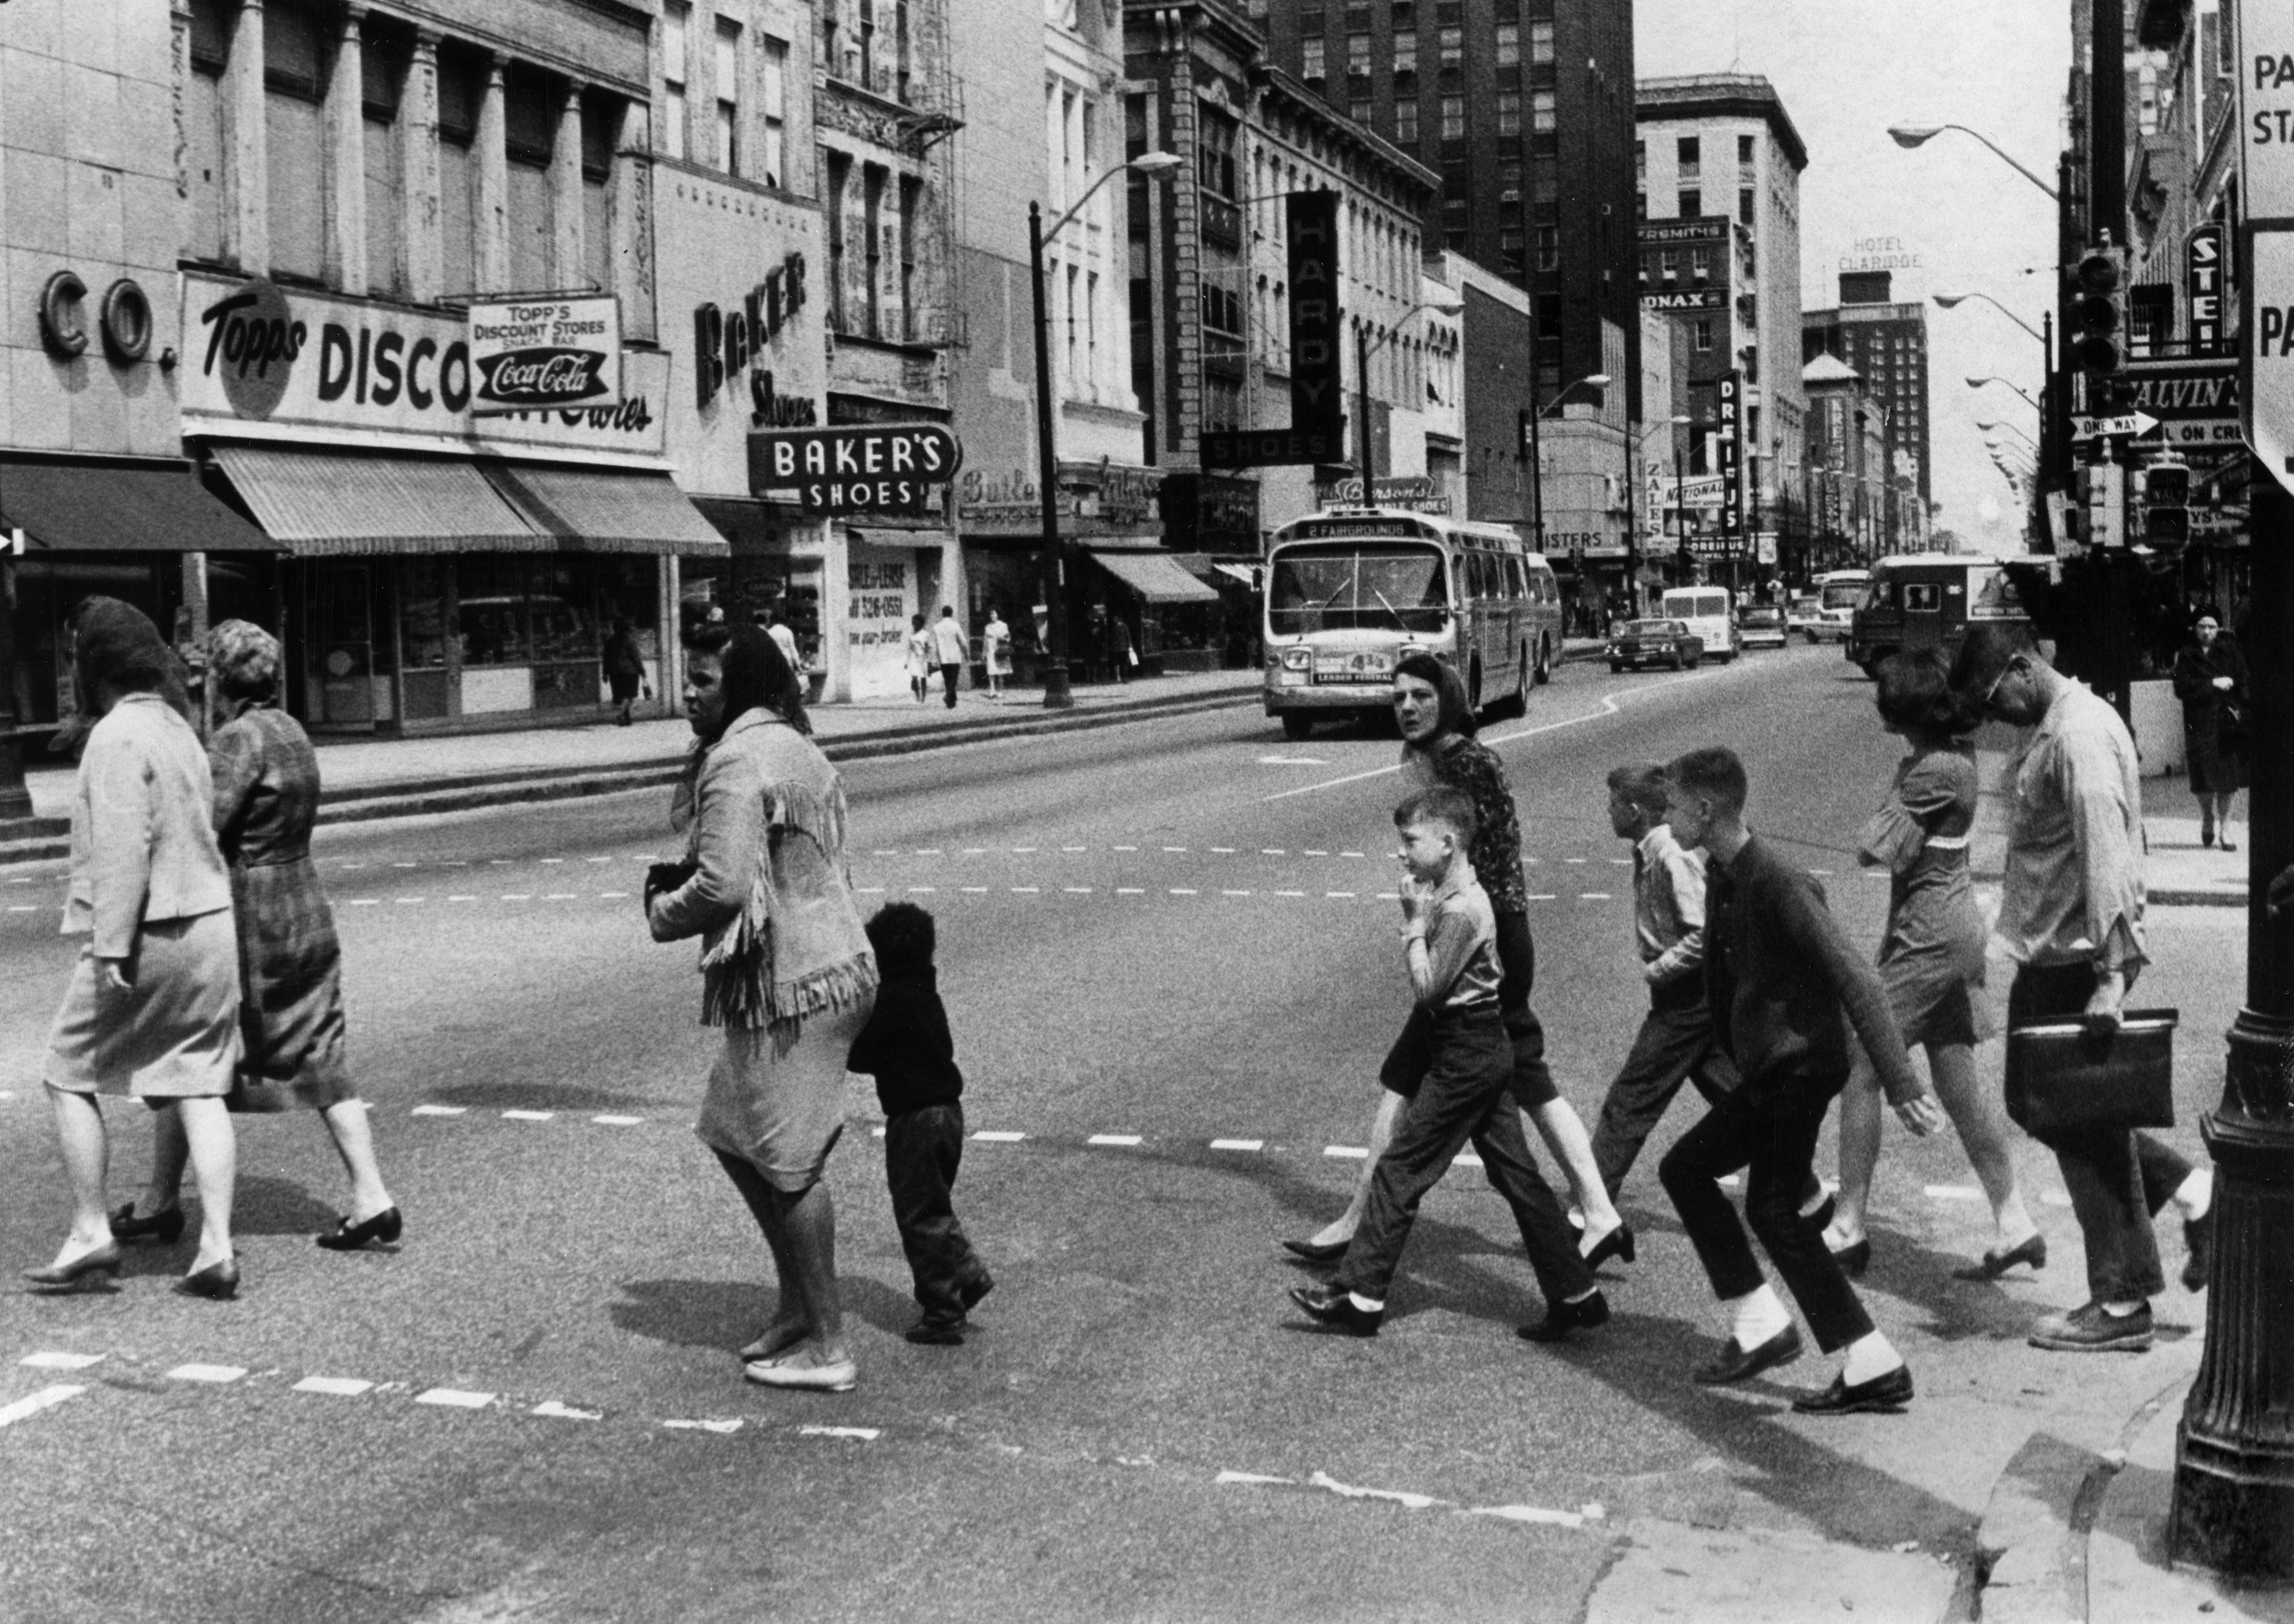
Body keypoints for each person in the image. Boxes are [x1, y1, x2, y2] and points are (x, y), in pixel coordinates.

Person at [1283, 654, 1628, 1268]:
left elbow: (1483, 862)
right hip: (1494, 939)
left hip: (1482, 944)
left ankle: (1358, 1222)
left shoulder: (1465, 761)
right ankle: (1598, 1214)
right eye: (1399, 698)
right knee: (1528, 1078)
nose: (1409, 707)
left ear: (1449, 696)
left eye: (1422, 695)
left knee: (1404, 1075)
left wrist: (1441, 930)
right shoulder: (1443, 759)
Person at [1656, 747, 1947, 1414]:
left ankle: (1794, 1335)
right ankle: (1858, 1355)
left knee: (1715, 1183)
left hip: (1800, 1071)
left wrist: (1902, 1085)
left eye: (1672, 805)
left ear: (1704, 809)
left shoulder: (1779, 882)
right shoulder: (1728, 875)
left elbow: (1857, 977)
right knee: (1760, 1203)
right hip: (1775, 1070)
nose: (1665, 816)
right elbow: (1732, 984)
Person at [1952, 623, 2213, 1352]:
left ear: (2019, 668)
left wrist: (2111, 978)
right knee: (2043, 1107)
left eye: (1989, 698)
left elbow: (2108, 857)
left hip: (2075, 965)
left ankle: (2123, 1302)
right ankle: (2198, 1198)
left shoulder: (2077, 738)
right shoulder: (2060, 726)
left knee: (2081, 1124)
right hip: (2052, 959)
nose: (1991, 715)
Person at [110, 622, 402, 1258]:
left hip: (251, 915)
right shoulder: (292, 730)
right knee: (319, 1052)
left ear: (220, 678)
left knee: (190, 1046)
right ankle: (371, 1194)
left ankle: (163, 1202)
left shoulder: (238, 738)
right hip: (304, 901)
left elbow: (201, 828)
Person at [649, 623, 880, 1392]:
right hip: (828, 962)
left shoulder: (736, 758)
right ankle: (794, 1305)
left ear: (739, 686)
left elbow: (717, 884)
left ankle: (827, 1343)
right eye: (688, 677)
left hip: (793, 980)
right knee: (730, 1130)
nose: (689, 691)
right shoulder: (792, 741)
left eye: (704, 680)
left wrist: (661, 909)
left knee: (787, 1164)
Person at [1289, 788, 1606, 1341]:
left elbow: (1429, 991)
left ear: (1449, 842)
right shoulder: (1450, 893)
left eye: (1411, 841)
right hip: (1479, 1049)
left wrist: (1412, 926)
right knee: (1519, 1180)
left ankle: (1361, 1297)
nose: (1402, 854)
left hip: (1465, 1052)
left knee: (1400, 1168)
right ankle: (1576, 1293)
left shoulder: (1461, 909)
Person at [28, 598, 244, 1301]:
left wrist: (112, 947)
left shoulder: (117, 736)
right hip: (212, 927)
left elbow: (126, 852)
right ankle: (217, 1247)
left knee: (67, 1070)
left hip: (152, 932)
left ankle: (92, 1231)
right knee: (198, 1081)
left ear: (95, 667)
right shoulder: (179, 727)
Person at [1820, 653, 2039, 1279]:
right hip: (1948, 924)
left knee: (1865, 1060)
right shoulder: (1950, 759)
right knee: (1958, 1084)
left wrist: (1897, 785)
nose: (1877, 707)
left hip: (1930, 932)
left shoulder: (1931, 771)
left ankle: (1848, 1224)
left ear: (1904, 711)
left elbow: (1874, 849)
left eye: (1884, 700)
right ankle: (2014, 1220)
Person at [1584, 763, 1741, 1203]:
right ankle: (1805, 1191)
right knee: (1732, 1094)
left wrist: (1661, 967)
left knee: (1630, 1101)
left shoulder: (1671, 856)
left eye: (1613, 803)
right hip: (1692, 998)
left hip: (1686, 998)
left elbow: (1704, 933)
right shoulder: (1651, 851)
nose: (1607, 810)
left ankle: (1589, 1214)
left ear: (1634, 811)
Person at [845, 903, 993, 1345]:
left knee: (918, 1215)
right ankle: (966, 1274)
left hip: (914, 1120)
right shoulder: (926, 993)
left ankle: (943, 1311)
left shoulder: (890, 1001)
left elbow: (860, 1056)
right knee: (934, 1206)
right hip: (948, 1113)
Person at [2170, 610, 2247, 852]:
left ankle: (2226, 828)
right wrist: (2212, 684)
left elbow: (2245, 681)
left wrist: (2238, 703)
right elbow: (2180, 687)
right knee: (2203, 778)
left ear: (2219, 628)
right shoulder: (2186, 655)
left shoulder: (2230, 651)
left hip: (2226, 722)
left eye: (2212, 627)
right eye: (2202, 626)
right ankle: (2207, 817)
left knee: (2228, 778)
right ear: (2195, 628)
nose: (2207, 632)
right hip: (2199, 722)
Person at [603, 617, 649, 727]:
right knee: (629, 696)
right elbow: (636, 658)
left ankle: (627, 719)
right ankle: (621, 714)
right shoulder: (630, 641)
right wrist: (642, 672)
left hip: (615, 672)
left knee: (620, 696)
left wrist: (605, 673)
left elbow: (606, 658)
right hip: (630, 671)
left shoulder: (610, 642)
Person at [930, 605, 968, 710]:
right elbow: (963, 642)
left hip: (943, 657)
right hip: (955, 656)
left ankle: (951, 702)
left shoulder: (936, 627)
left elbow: (933, 645)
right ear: (952, 614)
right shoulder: (956, 625)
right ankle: (948, 697)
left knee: (947, 679)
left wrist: (933, 659)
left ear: (942, 614)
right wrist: (966, 653)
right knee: (954, 679)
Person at [982, 605, 1012, 702]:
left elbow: (1008, 637)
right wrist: (983, 653)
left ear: (998, 614)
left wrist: (1003, 638)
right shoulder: (987, 627)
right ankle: (992, 690)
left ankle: (1000, 691)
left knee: (1000, 672)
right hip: (991, 651)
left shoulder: (1003, 625)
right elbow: (985, 641)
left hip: (1000, 651)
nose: (992, 616)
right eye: (991, 614)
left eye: (994, 613)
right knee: (991, 672)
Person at [904, 613, 933, 705]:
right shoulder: (911, 636)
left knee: (923, 678)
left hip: (923, 658)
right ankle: (917, 696)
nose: (914, 625)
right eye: (913, 623)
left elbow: (929, 648)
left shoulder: (925, 634)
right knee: (914, 677)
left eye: (916, 623)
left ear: (921, 624)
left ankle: (923, 698)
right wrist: (907, 661)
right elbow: (909, 649)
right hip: (914, 658)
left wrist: (929, 661)